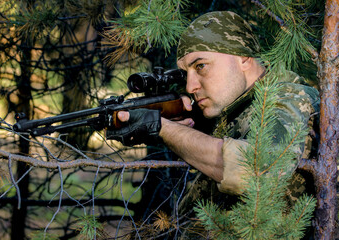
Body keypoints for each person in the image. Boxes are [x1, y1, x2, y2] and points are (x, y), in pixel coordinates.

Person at [106, 10, 319, 236]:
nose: (190, 87)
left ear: (244, 58)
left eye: (201, 66)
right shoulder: (236, 111)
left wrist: (163, 128)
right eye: (185, 73)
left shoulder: (289, 98)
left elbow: (255, 172)